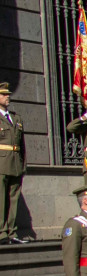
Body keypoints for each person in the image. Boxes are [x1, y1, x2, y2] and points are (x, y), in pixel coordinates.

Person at [0, 81, 27, 244]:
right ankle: (1, 232)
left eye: (8, 94)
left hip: (16, 163)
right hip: (1, 163)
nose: (7, 97)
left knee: (13, 199)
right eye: (3, 95)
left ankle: (12, 232)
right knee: (1, 198)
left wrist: (23, 164)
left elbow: (22, 145)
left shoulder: (16, 118)